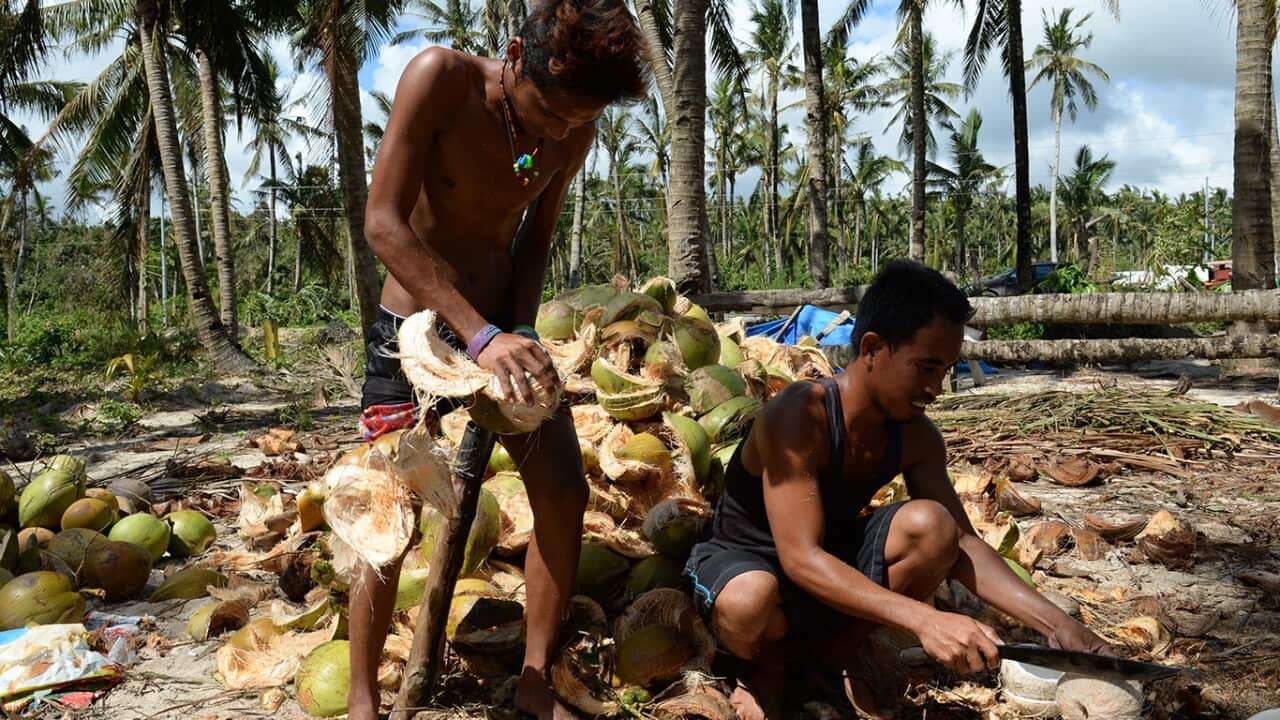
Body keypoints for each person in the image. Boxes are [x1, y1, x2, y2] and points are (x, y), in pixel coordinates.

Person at [352, 2, 649, 718]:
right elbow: (383, 225)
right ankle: (364, 699)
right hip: (414, 333)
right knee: (382, 517)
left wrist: (516, 330)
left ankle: (536, 677)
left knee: (562, 488)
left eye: (577, 122)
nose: (559, 132)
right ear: (514, 55)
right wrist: (477, 334)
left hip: (501, 335)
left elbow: (533, 241)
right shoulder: (439, 80)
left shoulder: (574, 127)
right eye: (549, 113)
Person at [682, 260, 1112, 720]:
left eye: (945, 370)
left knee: (934, 527)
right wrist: (925, 620)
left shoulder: (916, 436)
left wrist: (1058, 624)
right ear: (872, 348)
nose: (937, 388)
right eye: (925, 368)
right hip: (746, 562)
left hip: (826, 568)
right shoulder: (799, 415)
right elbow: (799, 558)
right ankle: (759, 668)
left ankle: (835, 658)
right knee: (750, 598)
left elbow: (965, 544)